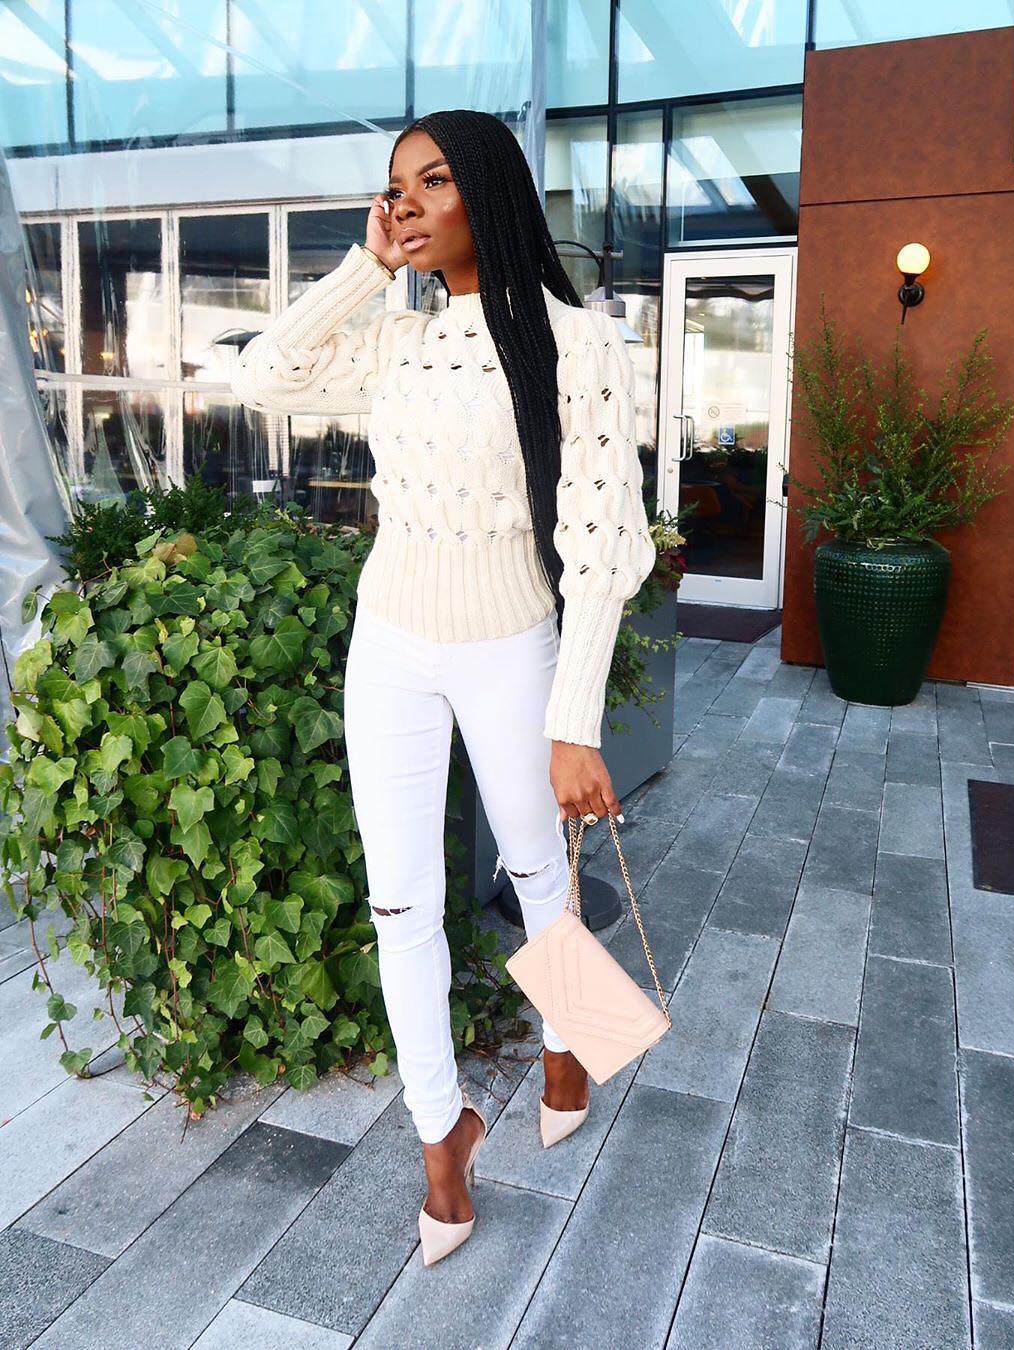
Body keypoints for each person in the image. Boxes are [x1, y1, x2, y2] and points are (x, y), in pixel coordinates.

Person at [230, 108, 656, 1265]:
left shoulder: (580, 345)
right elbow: (266, 377)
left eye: (432, 182)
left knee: (536, 870)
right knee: (401, 903)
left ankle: (570, 1040)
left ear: (490, 192)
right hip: (391, 644)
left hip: (510, 642)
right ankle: (441, 1140)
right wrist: (364, 268)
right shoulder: (398, 338)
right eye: (394, 188)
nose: (406, 203)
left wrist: (575, 722)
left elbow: (602, 543)